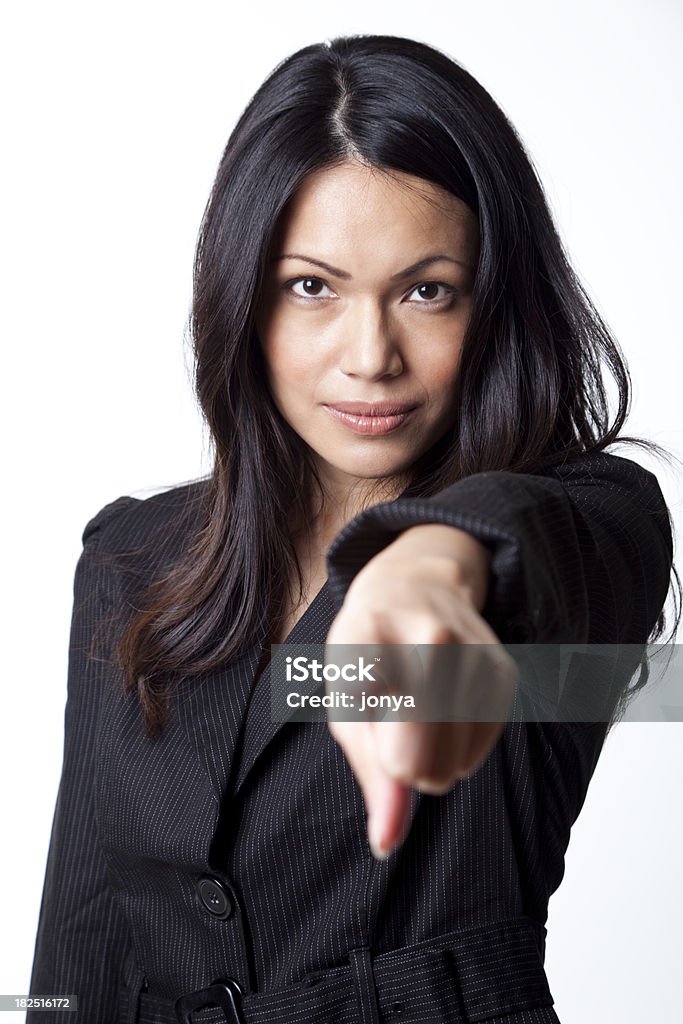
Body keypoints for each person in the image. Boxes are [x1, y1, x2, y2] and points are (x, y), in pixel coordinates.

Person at [28, 33, 679, 1024]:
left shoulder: (585, 524)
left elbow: (552, 533)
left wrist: (427, 565)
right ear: (243, 301)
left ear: (491, 303)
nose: (370, 355)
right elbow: (82, 942)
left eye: (426, 290)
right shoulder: (128, 562)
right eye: (311, 287)